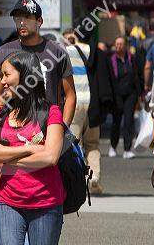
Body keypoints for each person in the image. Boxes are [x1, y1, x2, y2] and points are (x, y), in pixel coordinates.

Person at [0, 52, 65, 245]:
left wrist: (5, 157)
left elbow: (51, 157)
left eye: (7, 75)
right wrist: (30, 149)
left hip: (46, 202)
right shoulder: (1, 113)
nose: (2, 81)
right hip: (8, 201)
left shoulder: (51, 112)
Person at [0, 0, 76, 126]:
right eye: (17, 18)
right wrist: (4, 124)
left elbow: (70, 95)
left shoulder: (57, 51)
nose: (21, 22)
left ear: (39, 21)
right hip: (14, 131)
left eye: (27, 17)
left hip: (49, 129)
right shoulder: (5, 51)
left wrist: (63, 128)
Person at [62, 28, 114, 194]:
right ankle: (94, 178)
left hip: (72, 104)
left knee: (75, 144)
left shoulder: (64, 53)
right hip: (92, 104)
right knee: (93, 144)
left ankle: (77, 182)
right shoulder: (95, 52)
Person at [108, 36, 142, 159]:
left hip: (130, 94)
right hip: (117, 95)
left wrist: (140, 95)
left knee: (128, 121)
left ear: (125, 45)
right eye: (117, 44)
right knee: (116, 122)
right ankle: (113, 146)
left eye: (121, 44)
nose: (118, 46)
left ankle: (127, 149)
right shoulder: (111, 61)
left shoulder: (131, 59)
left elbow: (137, 76)